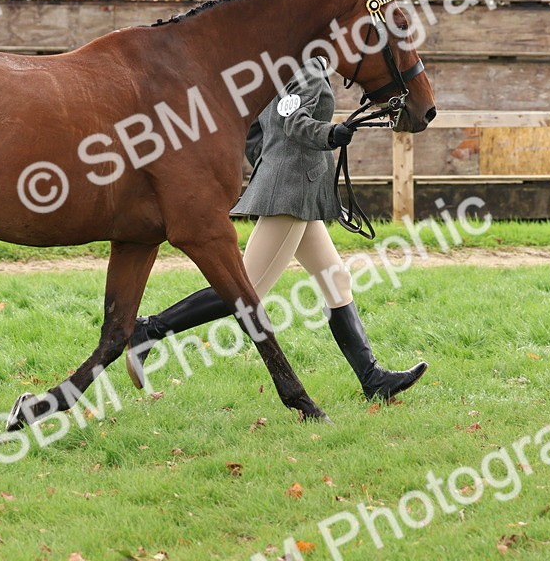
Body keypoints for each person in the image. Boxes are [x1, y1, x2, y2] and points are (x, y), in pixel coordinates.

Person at [125, 55, 428, 400]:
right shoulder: (309, 67)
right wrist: (330, 134)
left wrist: (271, 168)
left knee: (336, 279)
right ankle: (149, 329)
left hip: (298, 188)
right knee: (246, 290)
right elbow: (296, 124)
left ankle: (373, 379)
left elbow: (256, 129)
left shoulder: (276, 65)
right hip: (292, 192)